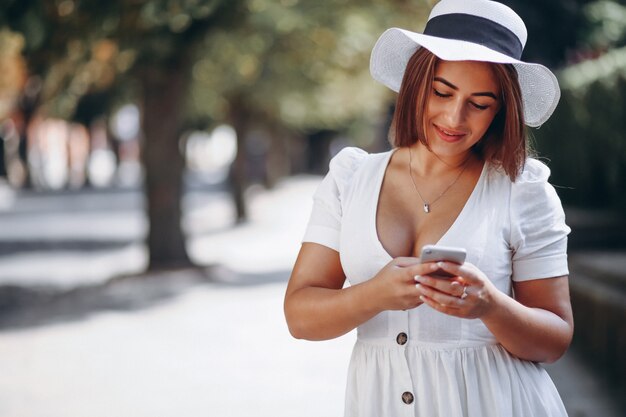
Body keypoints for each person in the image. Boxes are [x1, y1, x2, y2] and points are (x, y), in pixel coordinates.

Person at [284, 0, 573, 416]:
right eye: (442, 92)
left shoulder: (522, 190)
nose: (455, 117)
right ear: (416, 83)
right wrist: (373, 295)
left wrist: (489, 304)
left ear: (501, 111)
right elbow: (299, 317)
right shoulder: (351, 178)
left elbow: (555, 340)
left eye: (480, 102)